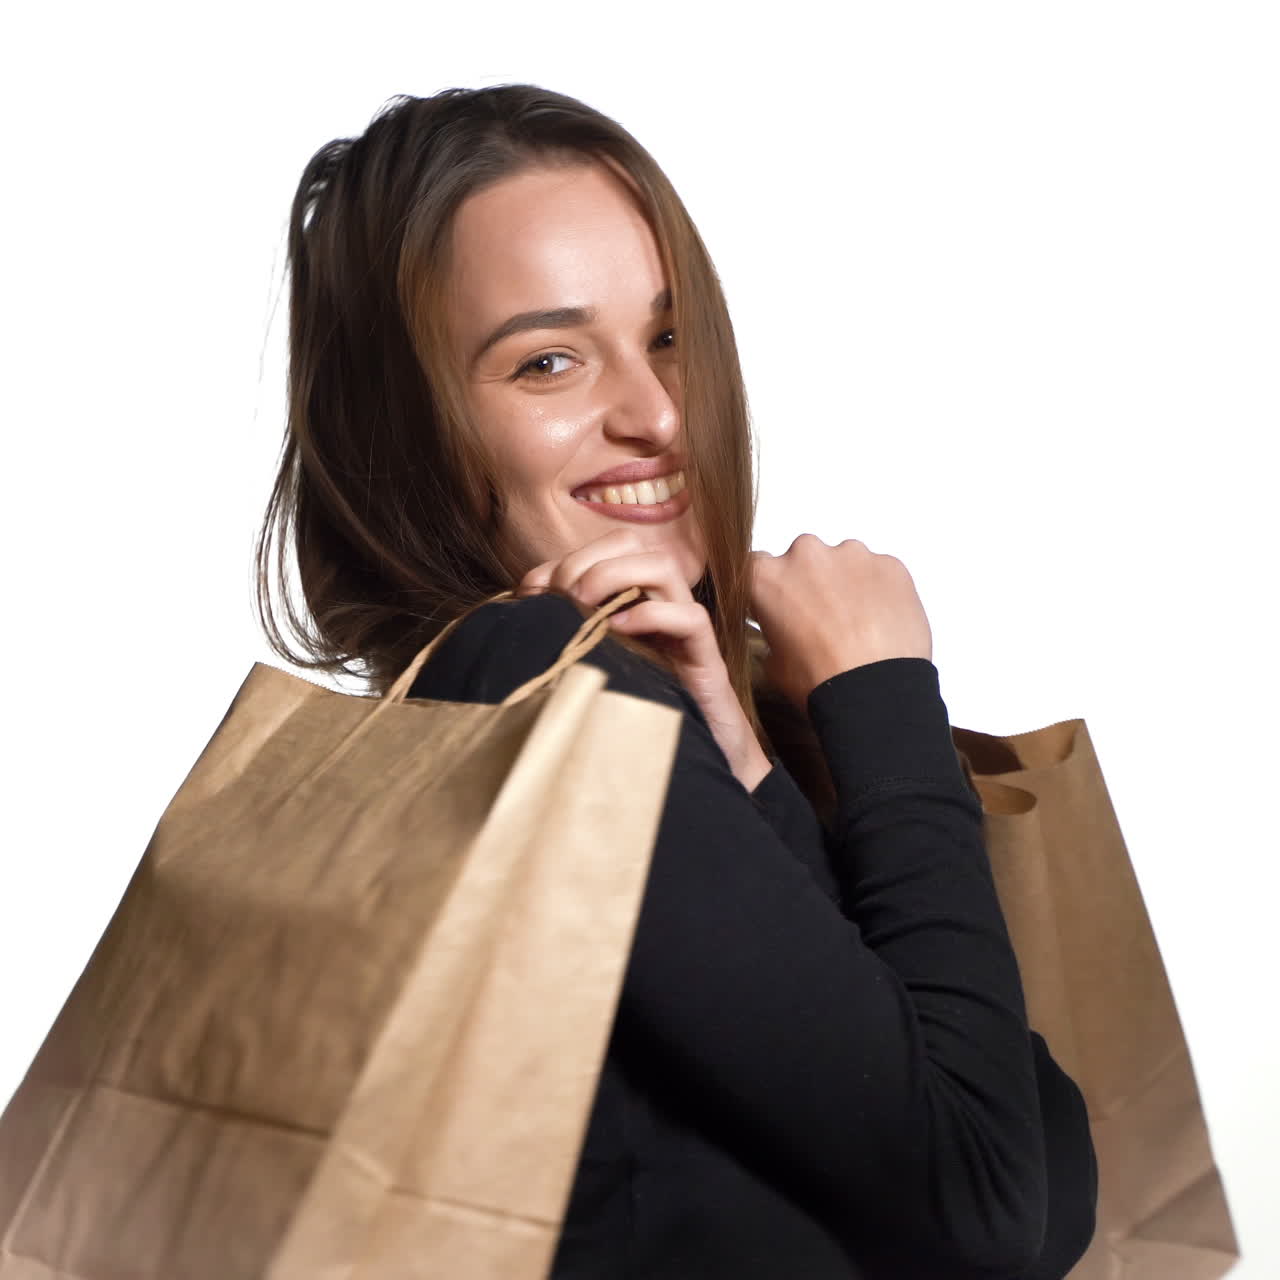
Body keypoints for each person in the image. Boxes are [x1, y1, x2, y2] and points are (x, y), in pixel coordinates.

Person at [255, 84, 1098, 1278]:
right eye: (547, 361)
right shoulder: (535, 685)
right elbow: (995, 1202)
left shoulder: (568, 730)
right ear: (404, 434)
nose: (654, 413)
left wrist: (750, 767)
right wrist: (881, 700)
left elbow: (1008, 1157)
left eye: (665, 335)